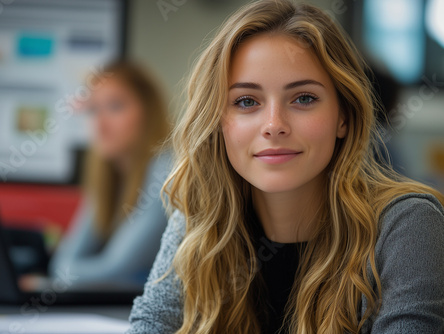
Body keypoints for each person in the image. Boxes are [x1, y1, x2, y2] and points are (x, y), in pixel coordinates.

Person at [126, 1, 444, 333]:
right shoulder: (200, 220)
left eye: (303, 98)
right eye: (246, 101)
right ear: (217, 122)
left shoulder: (407, 224)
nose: (274, 125)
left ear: (344, 117)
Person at [48, 60, 172, 286]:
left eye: (115, 106)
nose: (100, 123)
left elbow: (115, 270)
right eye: (93, 109)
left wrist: (57, 278)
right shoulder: (107, 177)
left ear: (148, 111)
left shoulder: (166, 170)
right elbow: (61, 263)